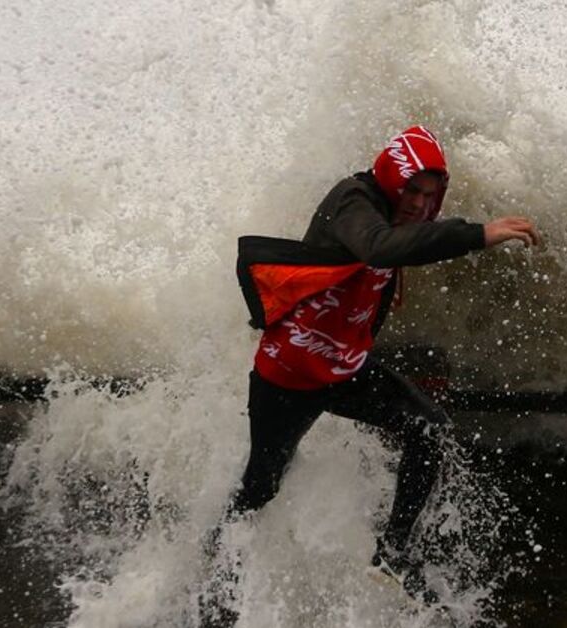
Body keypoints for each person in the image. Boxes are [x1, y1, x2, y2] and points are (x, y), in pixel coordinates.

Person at [230, 125, 540, 597]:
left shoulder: (400, 219)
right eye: (411, 190)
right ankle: (220, 571)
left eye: (428, 195)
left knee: (428, 429)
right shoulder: (353, 200)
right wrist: (477, 234)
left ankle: (392, 555)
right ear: (392, 180)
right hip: (289, 373)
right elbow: (376, 247)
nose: (418, 203)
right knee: (261, 489)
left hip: (345, 368)